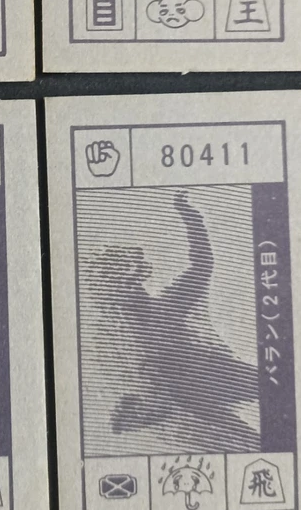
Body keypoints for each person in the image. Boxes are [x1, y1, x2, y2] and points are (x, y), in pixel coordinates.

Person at [102, 190, 260, 451]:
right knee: (247, 434)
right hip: (196, 385)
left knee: (262, 409)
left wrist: (191, 218)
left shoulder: (163, 308)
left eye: (134, 283)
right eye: (128, 284)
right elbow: (202, 266)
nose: (136, 287)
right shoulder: (130, 325)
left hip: (207, 375)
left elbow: (202, 266)